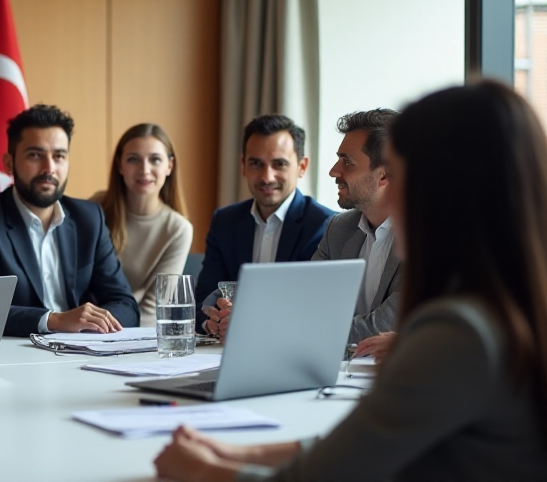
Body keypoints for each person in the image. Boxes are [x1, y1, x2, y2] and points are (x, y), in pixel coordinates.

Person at [155, 81, 547, 481]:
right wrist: (240, 451)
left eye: (401, 175)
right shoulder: (509, 310)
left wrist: (205, 472)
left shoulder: (460, 333)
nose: (390, 196)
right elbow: (374, 445)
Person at [0, 104, 140, 336]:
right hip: (18, 358)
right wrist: (54, 320)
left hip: (82, 353)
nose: (49, 168)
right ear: (9, 163)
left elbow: (126, 305)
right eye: (35, 155)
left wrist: (91, 325)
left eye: (59, 156)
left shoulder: (89, 218)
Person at [198, 114, 336, 337]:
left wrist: (245, 321)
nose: (267, 176)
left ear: (302, 166)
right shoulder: (225, 221)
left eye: (279, 164)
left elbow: (312, 308)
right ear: (243, 165)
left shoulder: (326, 225)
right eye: (256, 164)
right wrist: (213, 323)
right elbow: (203, 298)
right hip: (222, 350)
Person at [313, 109, 401, 344]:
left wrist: (295, 330)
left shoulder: (428, 236)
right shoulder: (338, 228)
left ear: (384, 175)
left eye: (347, 162)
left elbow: (382, 327)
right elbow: (308, 303)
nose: (334, 171)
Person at [93, 123, 193, 326]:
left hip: (129, 330)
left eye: (155, 159)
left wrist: (110, 335)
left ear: (169, 167)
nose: (144, 170)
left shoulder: (178, 229)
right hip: (82, 324)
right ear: (120, 166)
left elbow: (153, 308)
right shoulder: (95, 208)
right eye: (133, 160)